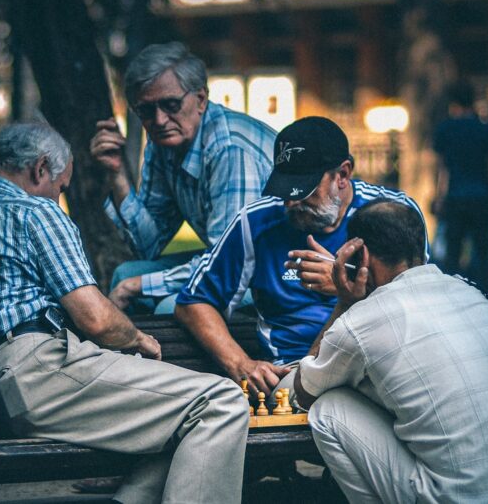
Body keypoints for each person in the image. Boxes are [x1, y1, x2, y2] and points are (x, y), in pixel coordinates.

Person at [0, 122, 249, 504]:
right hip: (41, 372)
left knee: (180, 422)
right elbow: (97, 319)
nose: (58, 197)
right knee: (221, 401)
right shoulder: (34, 211)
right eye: (60, 187)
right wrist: (138, 338)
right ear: (40, 169)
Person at [292, 199, 488, 503]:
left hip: (465, 498)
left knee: (328, 409)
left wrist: (345, 302)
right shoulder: (473, 293)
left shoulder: (363, 320)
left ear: (362, 256)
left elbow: (304, 393)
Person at [174, 116, 426, 398]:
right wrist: (241, 363)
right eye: (285, 189)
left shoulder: (390, 213)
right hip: (295, 370)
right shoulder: (256, 222)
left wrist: (347, 285)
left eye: (304, 190)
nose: (291, 202)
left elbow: (421, 301)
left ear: (342, 175)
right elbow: (193, 302)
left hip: (381, 359)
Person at [91, 42, 276, 315]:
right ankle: (132, 358)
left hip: (276, 274)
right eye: (146, 110)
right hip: (236, 264)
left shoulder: (229, 149)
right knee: (125, 273)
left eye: (170, 104)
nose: (160, 120)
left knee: (169, 307)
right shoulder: (163, 144)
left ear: (200, 100)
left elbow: (227, 262)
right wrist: (117, 175)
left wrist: (139, 285)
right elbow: (148, 247)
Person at [433, 81, 488, 291]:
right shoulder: (486, 130)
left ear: (453, 103)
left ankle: (452, 294)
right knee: (483, 254)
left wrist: (439, 197)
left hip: (455, 197)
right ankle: (484, 296)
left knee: (453, 253)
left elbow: (441, 169)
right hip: (481, 197)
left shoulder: (445, 129)